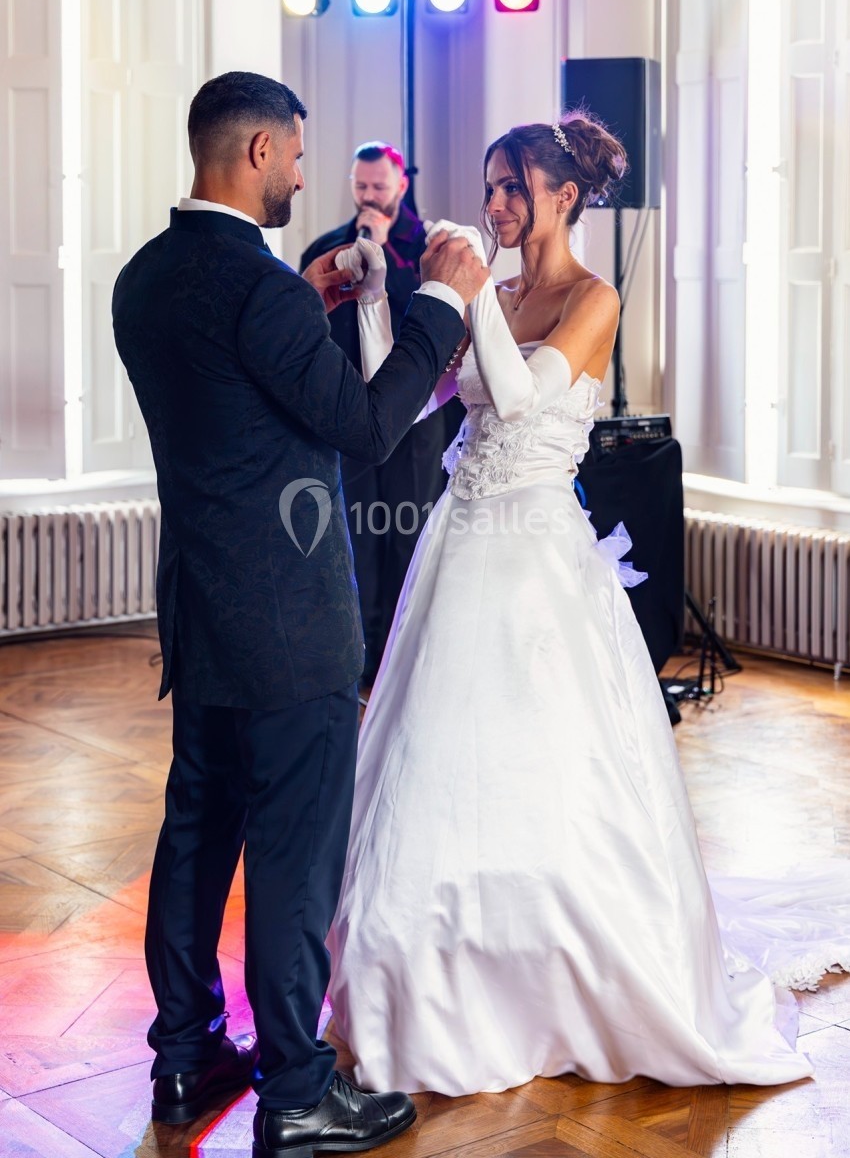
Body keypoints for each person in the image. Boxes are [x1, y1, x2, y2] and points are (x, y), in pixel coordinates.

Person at [327, 114, 850, 1096]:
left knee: (546, 764)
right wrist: (370, 299)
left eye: (513, 188)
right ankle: (426, 981)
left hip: (533, 558)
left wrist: (472, 294)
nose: (495, 207)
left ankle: (558, 967)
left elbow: (521, 399)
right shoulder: (504, 289)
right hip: (460, 540)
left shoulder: (592, 297)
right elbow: (394, 394)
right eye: (489, 187)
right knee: (431, 765)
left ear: (564, 196)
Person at [111, 71, 487, 1155]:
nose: (302, 176)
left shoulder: (145, 278)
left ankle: (184, 1054)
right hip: (289, 620)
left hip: (202, 607)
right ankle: (296, 1092)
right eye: (293, 154)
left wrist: (309, 304)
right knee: (291, 850)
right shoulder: (260, 290)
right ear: (257, 154)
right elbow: (367, 426)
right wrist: (440, 306)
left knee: (196, 834)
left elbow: (236, 394)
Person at [300, 142, 464, 685]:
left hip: (417, 417)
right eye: (361, 186)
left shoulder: (431, 247)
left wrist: (386, 254)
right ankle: (361, 655)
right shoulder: (328, 248)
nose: (369, 195)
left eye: (379, 186)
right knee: (356, 535)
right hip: (348, 416)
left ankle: (403, 655)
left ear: (400, 185)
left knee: (408, 530)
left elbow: (432, 323)